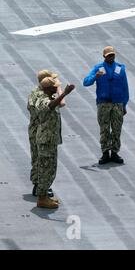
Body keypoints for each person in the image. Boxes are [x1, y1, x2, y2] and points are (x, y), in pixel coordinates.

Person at [83, 46, 129, 165]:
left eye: (112, 55)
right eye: (108, 55)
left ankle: (114, 152)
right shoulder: (98, 68)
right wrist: (95, 77)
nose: (111, 57)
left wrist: (124, 104)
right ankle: (105, 152)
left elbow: (125, 88)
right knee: (104, 129)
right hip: (103, 103)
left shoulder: (120, 69)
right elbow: (86, 82)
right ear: (104, 56)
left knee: (116, 129)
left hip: (117, 103)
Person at [35, 77, 75, 208]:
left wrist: (61, 93)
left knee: (51, 169)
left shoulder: (49, 97)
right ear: (47, 89)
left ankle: (45, 195)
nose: (56, 88)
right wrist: (64, 93)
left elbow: (57, 103)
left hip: (50, 140)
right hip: (46, 140)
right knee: (46, 169)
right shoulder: (43, 100)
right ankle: (42, 198)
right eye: (54, 87)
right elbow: (50, 106)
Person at [28, 70, 66, 198]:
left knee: (39, 159)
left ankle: (39, 185)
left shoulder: (39, 92)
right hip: (41, 129)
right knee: (42, 160)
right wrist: (62, 90)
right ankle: (40, 187)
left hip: (39, 129)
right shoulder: (41, 95)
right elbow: (61, 103)